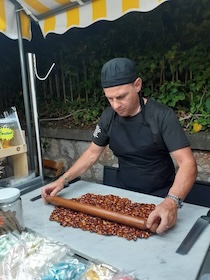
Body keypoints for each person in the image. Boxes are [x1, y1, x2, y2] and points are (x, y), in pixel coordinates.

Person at [42, 57, 197, 234]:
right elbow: (92, 153)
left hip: (160, 197)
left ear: (137, 85)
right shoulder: (108, 117)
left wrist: (172, 201)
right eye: (110, 99)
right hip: (123, 197)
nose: (116, 105)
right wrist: (63, 179)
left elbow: (188, 163)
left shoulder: (162, 116)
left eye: (121, 97)